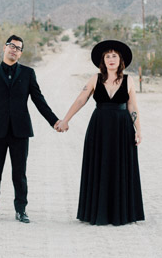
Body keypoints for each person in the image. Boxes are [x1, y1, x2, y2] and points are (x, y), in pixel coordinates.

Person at [56, 39, 144, 225]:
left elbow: (132, 105)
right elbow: (81, 100)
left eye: (114, 56)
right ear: (102, 61)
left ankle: (121, 212)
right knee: (100, 166)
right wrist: (65, 120)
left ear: (121, 60)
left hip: (122, 128)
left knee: (120, 166)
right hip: (100, 128)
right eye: (107, 56)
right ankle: (97, 211)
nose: (111, 59)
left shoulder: (128, 80)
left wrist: (138, 130)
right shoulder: (95, 79)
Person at [0, 34, 61, 224]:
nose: (14, 49)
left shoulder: (27, 73)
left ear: (21, 53)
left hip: (20, 131)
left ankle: (21, 210)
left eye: (18, 48)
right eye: (11, 46)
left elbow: (39, 100)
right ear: (4, 48)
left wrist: (54, 121)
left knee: (19, 173)